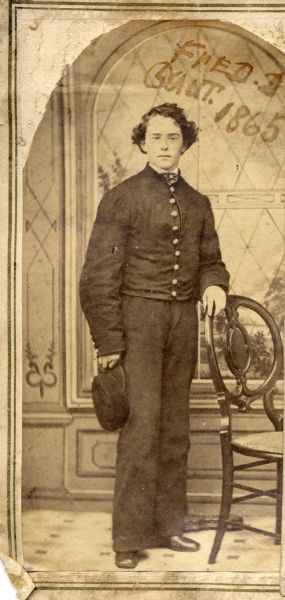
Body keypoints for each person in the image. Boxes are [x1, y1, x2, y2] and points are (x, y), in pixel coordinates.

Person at [79, 103, 230, 569]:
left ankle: (167, 527)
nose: (165, 146)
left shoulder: (198, 202)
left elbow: (211, 261)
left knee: (173, 431)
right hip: (137, 323)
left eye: (173, 138)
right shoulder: (122, 199)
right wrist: (110, 342)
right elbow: (97, 278)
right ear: (143, 143)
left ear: (185, 143)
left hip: (181, 324)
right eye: (157, 138)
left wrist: (214, 286)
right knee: (141, 431)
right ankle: (128, 537)